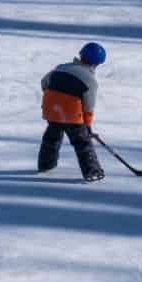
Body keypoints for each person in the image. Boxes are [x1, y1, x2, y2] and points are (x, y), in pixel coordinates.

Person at [38, 42, 107, 183]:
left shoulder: (61, 67)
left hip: (51, 109)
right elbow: (88, 105)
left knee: (51, 137)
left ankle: (45, 165)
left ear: (81, 55)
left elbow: (44, 82)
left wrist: (54, 98)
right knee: (82, 142)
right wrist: (87, 126)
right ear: (97, 64)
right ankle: (92, 171)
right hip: (70, 113)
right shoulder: (90, 79)